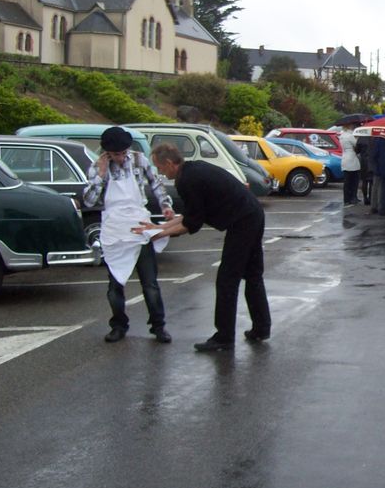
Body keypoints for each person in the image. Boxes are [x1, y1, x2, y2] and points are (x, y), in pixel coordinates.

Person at [140, 143, 271, 352]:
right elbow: (192, 216)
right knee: (253, 274)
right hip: (252, 213)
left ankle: (224, 337)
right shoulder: (192, 170)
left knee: (227, 279)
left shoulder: (186, 181)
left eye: (160, 167)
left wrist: (158, 234)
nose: (159, 173)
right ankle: (261, 328)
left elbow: (192, 224)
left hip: (243, 221)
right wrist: (160, 227)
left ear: (169, 163)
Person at [84, 126, 175, 344]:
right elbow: (89, 200)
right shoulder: (98, 168)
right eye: (116, 154)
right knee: (116, 284)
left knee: (150, 283)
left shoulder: (140, 160)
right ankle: (118, 324)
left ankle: (159, 325)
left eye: (124, 152)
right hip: (114, 228)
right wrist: (102, 175)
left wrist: (165, 205)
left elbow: (156, 183)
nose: (122, 157)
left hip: (138, 225)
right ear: (107, 153)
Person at [339, 123, 361, 205]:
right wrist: (357, 138)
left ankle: (346, 198)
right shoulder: (350, 135)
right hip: (351, 158)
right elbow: (357, 144)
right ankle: (353, 197)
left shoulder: (342, 135)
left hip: (344, 157)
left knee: (347, 181)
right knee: (354, 180)